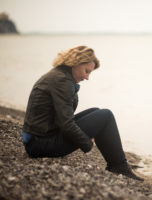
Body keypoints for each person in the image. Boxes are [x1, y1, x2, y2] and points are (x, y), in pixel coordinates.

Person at [22, 45, 144, 181]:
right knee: (106, 115)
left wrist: (87, 133)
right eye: (87, 71)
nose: (87, 77)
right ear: (76, 63)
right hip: (40, 144)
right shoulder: (62, 81)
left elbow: (63, 118)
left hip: (40, 139)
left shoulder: (60, 74)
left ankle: (116, 163)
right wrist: (87, 143)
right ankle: (118, 166)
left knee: (96, 111)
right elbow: (67, 124)